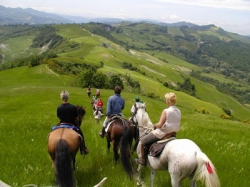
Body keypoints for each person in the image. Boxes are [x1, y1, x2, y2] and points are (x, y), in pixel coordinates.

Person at [136, 92, 181, 166]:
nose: (165, 101)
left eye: (166, 100)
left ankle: (142, 160)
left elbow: (160, 124)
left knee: (142, 142)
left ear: (169, 101)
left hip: (162, 133)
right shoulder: (178, 111)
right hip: (173, 133)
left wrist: (155, 125)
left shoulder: (166, 111)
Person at [57, 90, 89, 155]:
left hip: (61, 124)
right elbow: (76, 117)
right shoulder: (72, 107)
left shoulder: (59, 107)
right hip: (71, 124)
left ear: (61, 98)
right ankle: (83, 149)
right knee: (81, 135)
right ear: (68, 97)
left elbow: (59, 116)